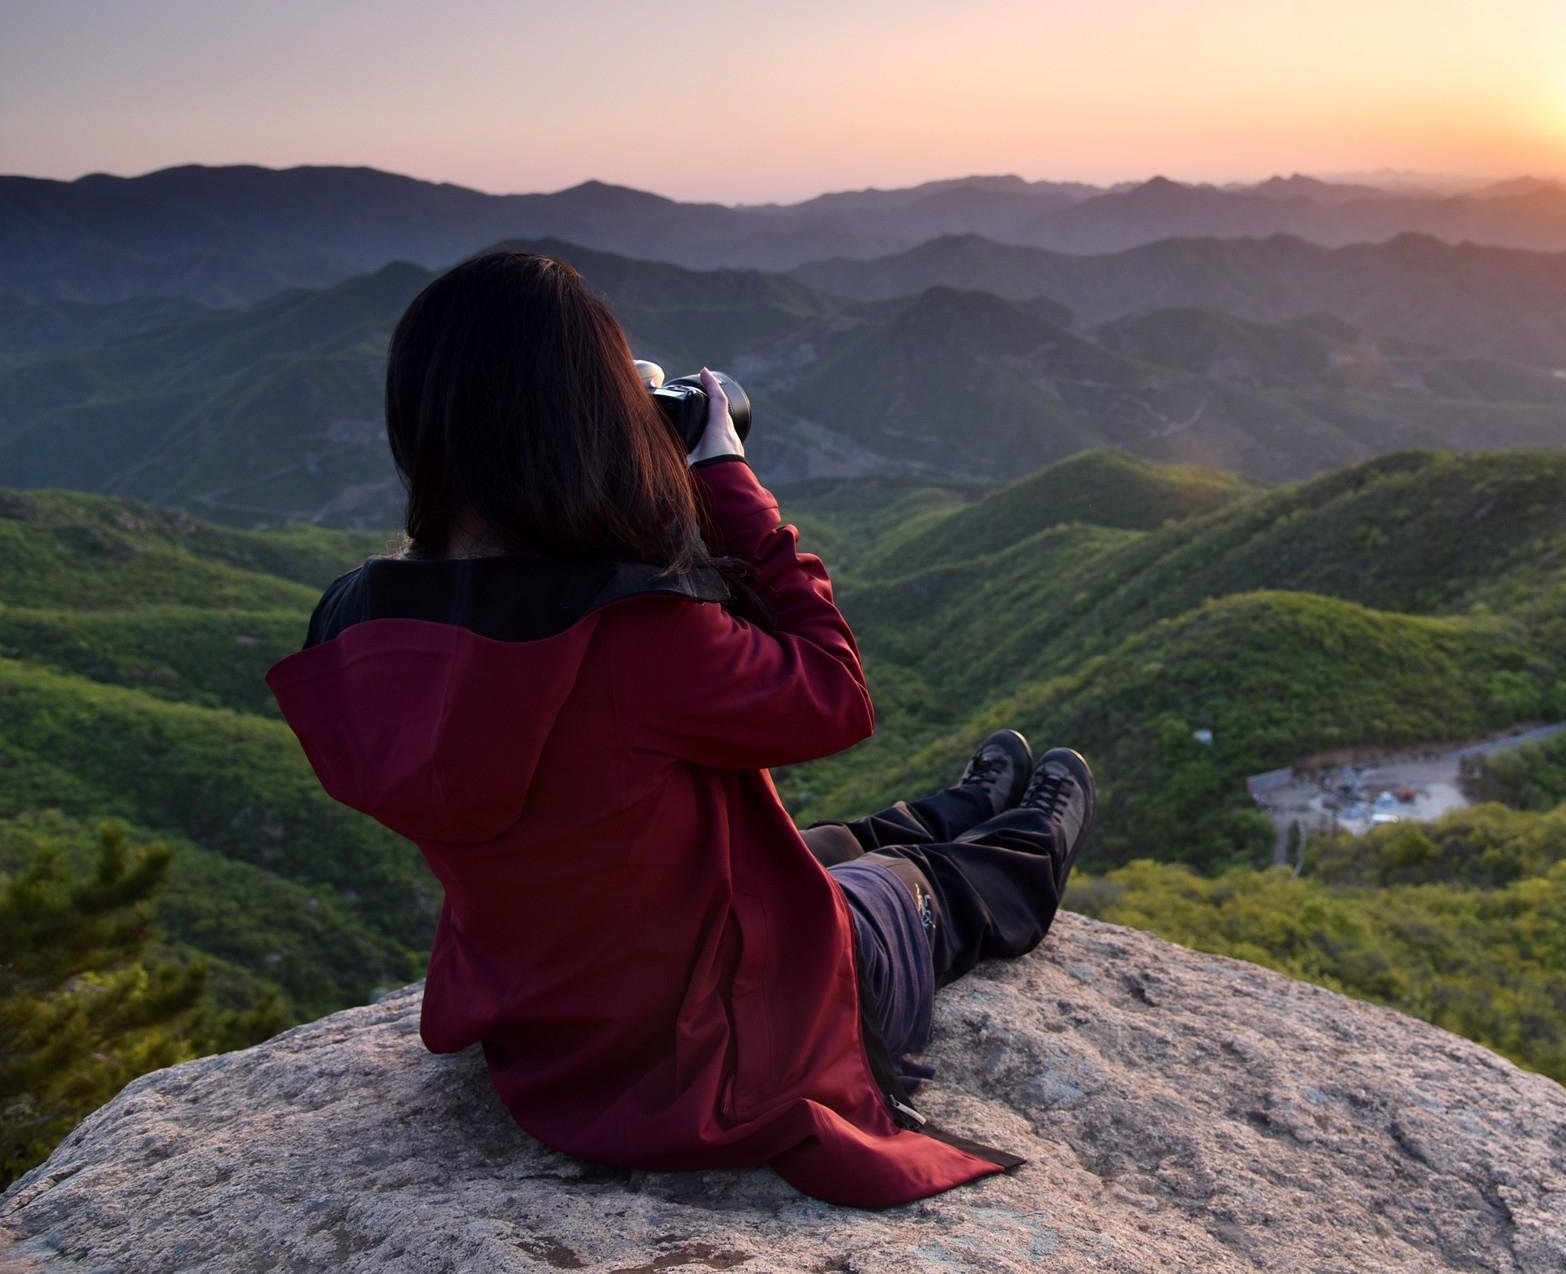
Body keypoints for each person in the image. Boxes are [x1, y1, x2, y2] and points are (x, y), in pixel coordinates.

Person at [262, 251, 1096, 1207]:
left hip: (550, 1020)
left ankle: (940, 808)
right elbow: (835, 691)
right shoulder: (629, 633)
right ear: (590, 424)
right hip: (710, 1056)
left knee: (802, 850)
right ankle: (1021, 837)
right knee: (924, 892)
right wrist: (725, 479)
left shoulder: (360, 624)